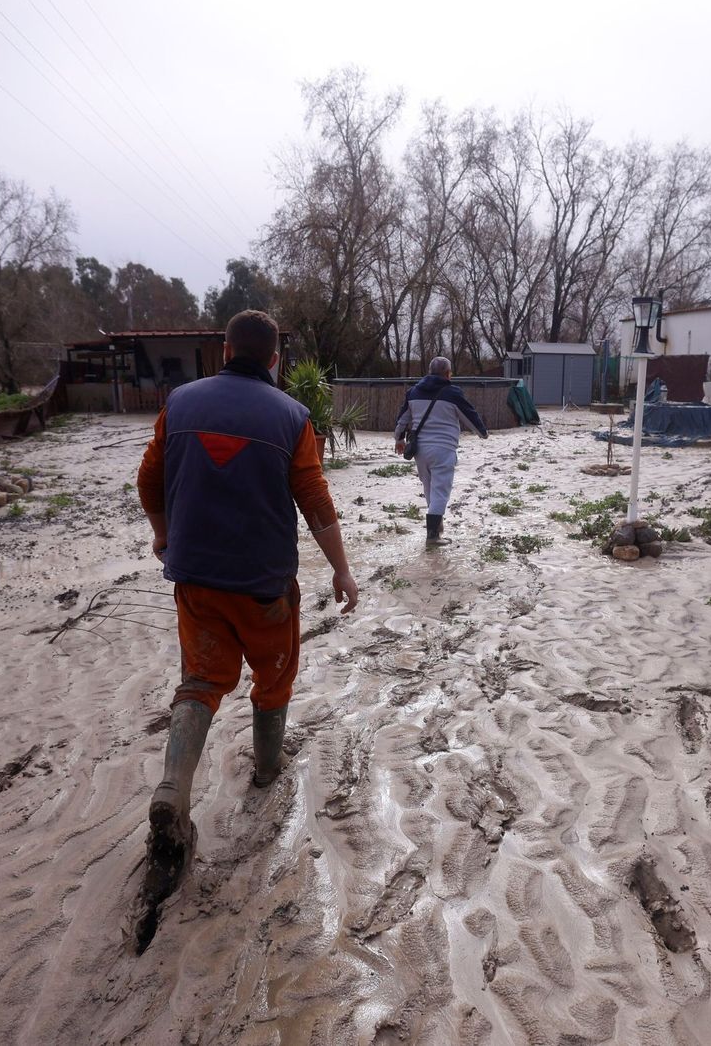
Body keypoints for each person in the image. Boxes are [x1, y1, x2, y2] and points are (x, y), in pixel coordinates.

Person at [135, 310, 359, 906]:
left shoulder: (179, 404)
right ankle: (265, 770)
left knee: (201, 681)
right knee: (274, 675)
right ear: (275, 358)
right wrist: (340, 567)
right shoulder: (292, 416)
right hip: (263, 584)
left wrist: (163, 534)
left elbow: (148, 480)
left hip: (196, 579)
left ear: (225, 348)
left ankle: (173, 790)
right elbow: (315, 501)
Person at [393, 356, 489, 545]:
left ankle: (435, 525)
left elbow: (402, 418)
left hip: (420, 450)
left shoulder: (413, 392)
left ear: (429, 371)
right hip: (443, 449)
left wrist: (399, 439)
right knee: (441, 491)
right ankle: (433, 536)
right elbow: (470, 416)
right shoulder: (453, 393)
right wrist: (483, 434)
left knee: (429, 489)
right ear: (448, 374)